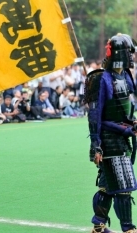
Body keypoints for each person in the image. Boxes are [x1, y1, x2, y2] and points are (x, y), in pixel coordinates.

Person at [84, 33, 137, 233]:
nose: (131, 56)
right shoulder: (100, 78)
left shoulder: (125, 75)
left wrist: (132, 123)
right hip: (108, 140)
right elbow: (95, 116)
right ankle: (128, 229)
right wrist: (95, 145)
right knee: (124, 186)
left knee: (107, 186)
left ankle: (98, 226)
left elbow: (128, 105)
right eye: (128, 52)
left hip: (123, 138)